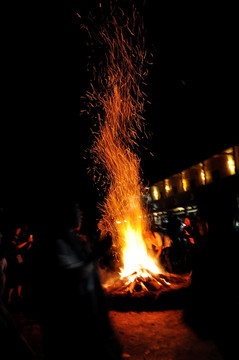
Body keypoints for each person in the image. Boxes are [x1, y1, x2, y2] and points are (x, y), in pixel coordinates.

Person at [39, 195, 122, 360]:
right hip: (73, 330)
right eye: (76, 208)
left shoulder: (73, 240)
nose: (81, 213)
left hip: (91, 324)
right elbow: (73, 277)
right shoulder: (55, 243)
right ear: (63, 213)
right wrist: (97, 253)